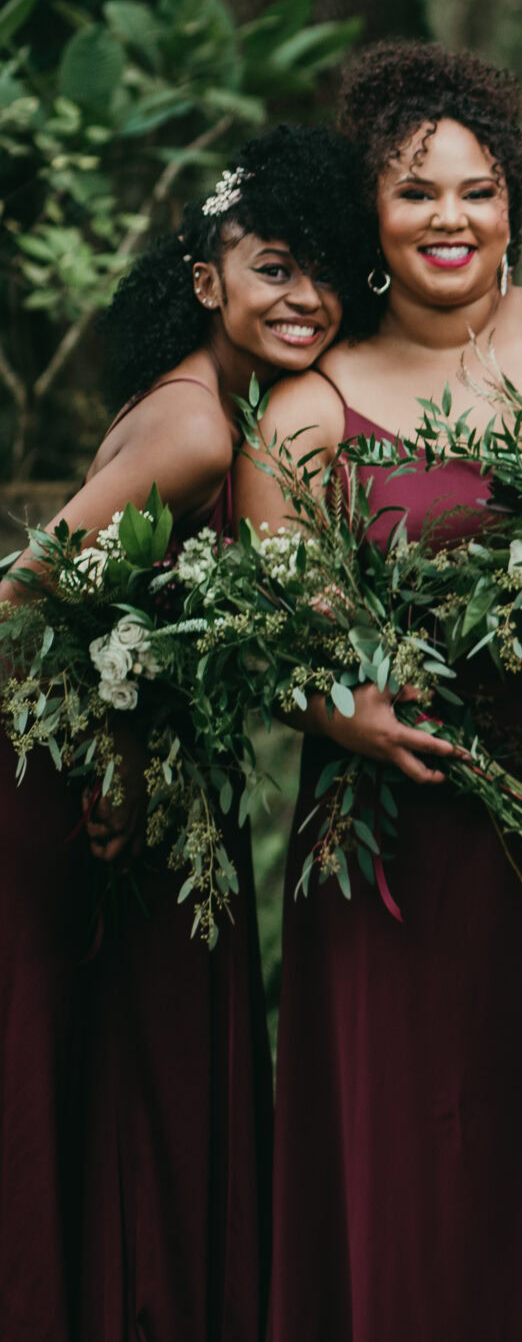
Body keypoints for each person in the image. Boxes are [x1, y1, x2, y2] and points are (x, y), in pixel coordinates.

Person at [239, 40, 522, 1342]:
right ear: (367, 213)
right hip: (397, 832)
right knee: (416, 1145)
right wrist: (333, 704)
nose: (449, 218)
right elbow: (280, 627)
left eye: (475, 190)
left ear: (514, 201)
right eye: (415, 193)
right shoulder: (307, 407)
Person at [0, 125, 366, 1341]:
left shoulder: (223, 402)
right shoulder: (200, 428)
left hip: (145, 778)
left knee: (134, 1076)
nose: (304, 295)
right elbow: (24, 600)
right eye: (274, 266)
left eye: (324, 269)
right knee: (103, 1068)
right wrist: (105, 751)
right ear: (208, 277)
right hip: (79, 801)